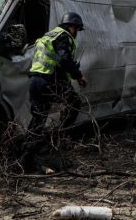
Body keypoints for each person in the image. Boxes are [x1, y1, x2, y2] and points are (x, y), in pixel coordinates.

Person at [22, 13, 88, 171]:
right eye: (77, 29)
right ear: (71, 26)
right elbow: (63, 59)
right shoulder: (63, 36)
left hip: (35, 81)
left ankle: (25, 159)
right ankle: (54, 138)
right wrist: (78, 76)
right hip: (50, 81)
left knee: (38, 120)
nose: (76, 33)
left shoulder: (46, 36)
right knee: (74, 104)